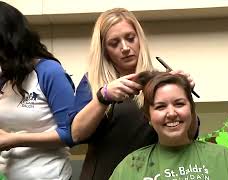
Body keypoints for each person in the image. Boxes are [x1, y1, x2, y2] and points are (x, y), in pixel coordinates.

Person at [69, 8, 198, 180]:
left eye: (130, 38)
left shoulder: (158, 82)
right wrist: (103, 97)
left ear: (140, 39)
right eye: (114, 43)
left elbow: (190, 134)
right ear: (104, 49)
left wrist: (184, 94)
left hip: (151, 174)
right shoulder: (93, 82)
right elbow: (76, 134)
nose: (125, 48)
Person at [109, 71, 228, 180]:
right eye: (160, 106)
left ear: (191, 110)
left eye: (179, 104)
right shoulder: (130, 165)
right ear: (149, 117)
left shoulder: (222, 158)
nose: (171, 113)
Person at [0, 2, 74, 180]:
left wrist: (14, 140)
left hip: (49, 175)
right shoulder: (6, 76)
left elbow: (72, 134)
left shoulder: (49, 71)